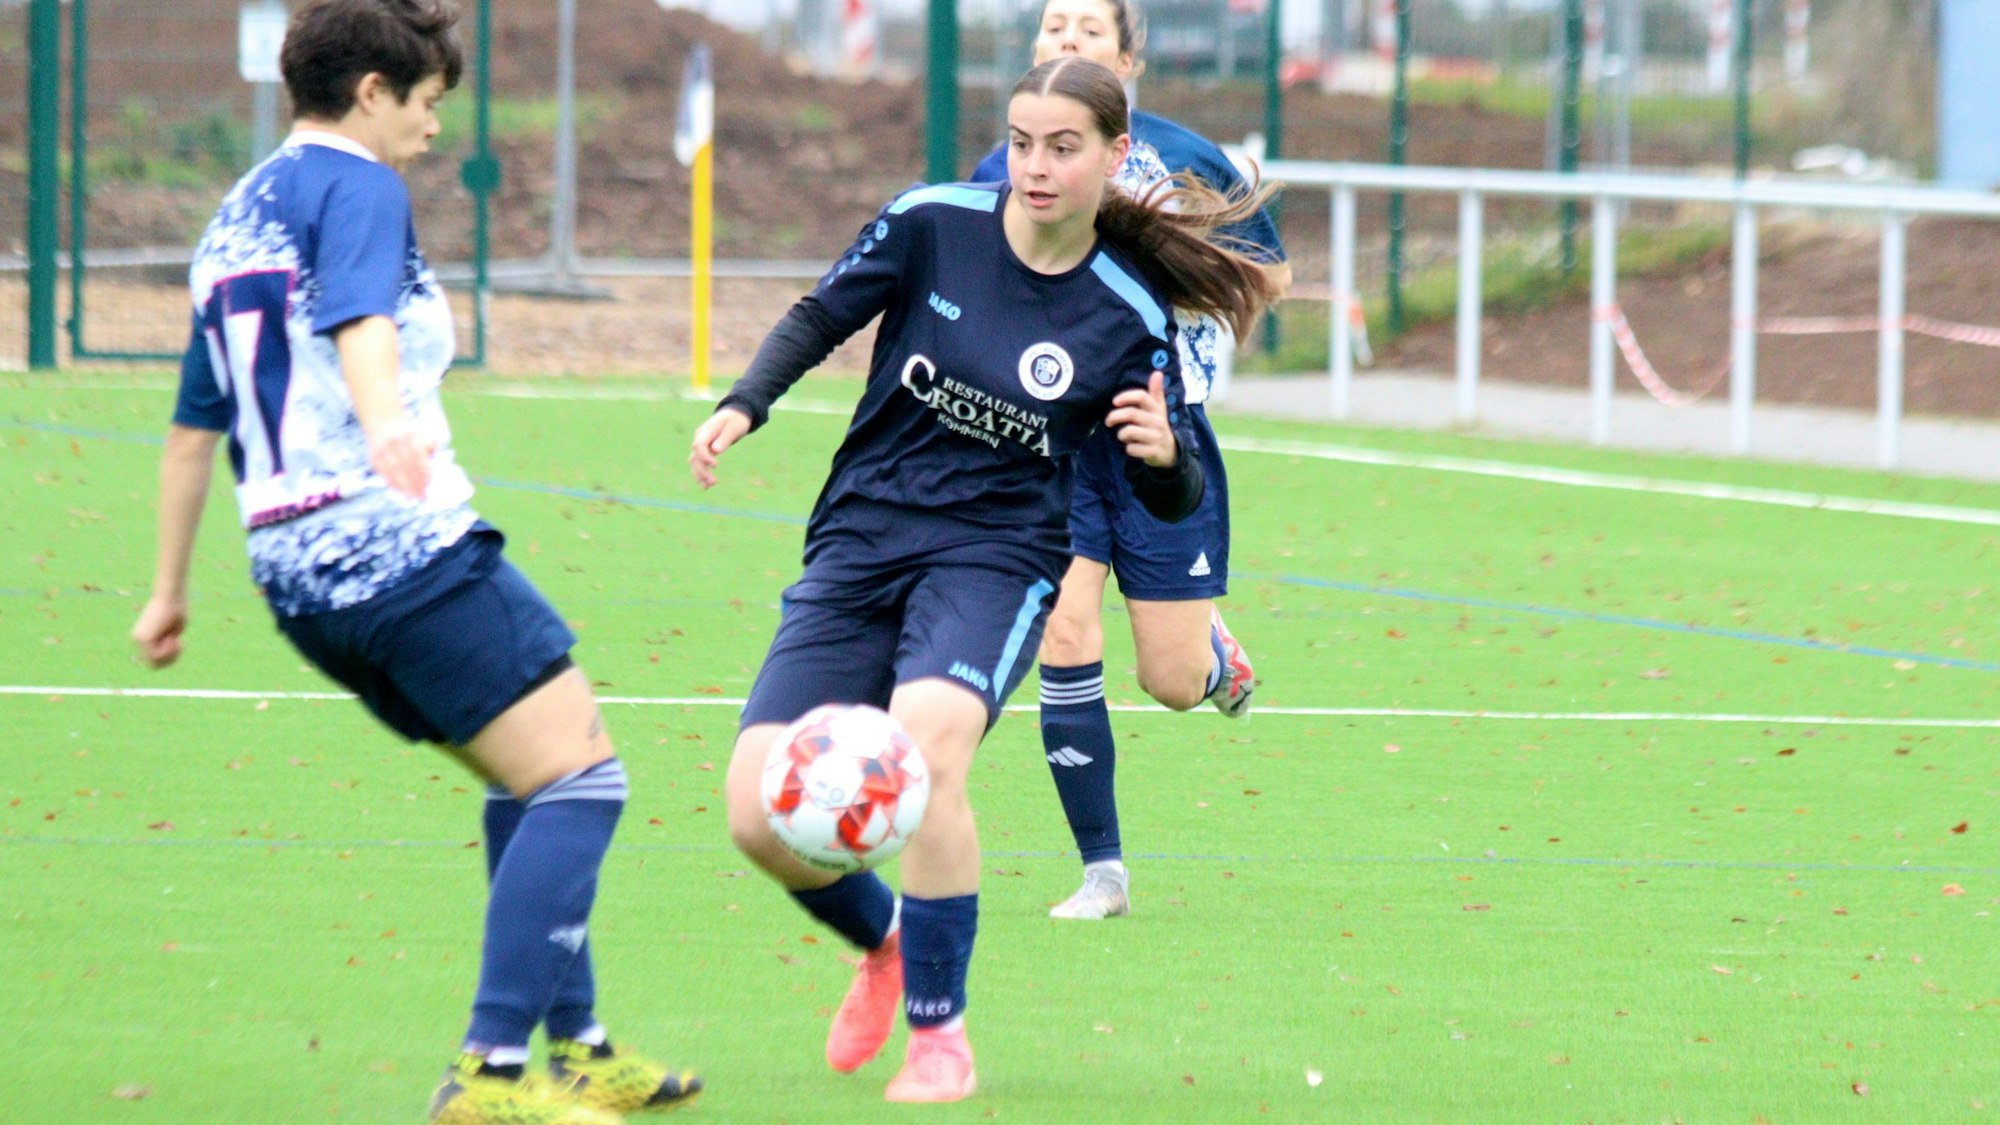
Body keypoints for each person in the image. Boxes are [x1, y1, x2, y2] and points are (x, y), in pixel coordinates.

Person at [127, 3, 699, 1122]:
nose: (435, 127)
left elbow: (196, 428)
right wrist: (387, 425)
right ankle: (487, 1075)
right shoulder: (354, 185)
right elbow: (358, 318)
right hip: (392, 546)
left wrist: (167, 588)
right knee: (586, 779)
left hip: (297, 577)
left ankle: (577, 1045)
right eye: (429, 103)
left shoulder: (233, 222)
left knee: (527, 779)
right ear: (373, 92)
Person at [689, 56, 1280, 1104]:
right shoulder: (929, 223)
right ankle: (883, 945)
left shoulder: (1126, 314)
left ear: (1110, 156)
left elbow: (1174, 502)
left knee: (924, 752)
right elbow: (820, 314)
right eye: (1019, 143)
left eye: (1061, 147)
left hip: (996, 558)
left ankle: (938, 1035)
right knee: (751, 815)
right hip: (860, 540)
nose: (1034, 167)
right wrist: (746, 402)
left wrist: (1161, 456)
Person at [969, 0, 1293, 922]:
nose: (1067, 40)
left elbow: (1265, 272)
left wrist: (1188, 276)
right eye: (1054, 24)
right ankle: (1102, 872)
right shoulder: (1005, 165)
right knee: (1066, 631)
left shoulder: (1183, 157)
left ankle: (1212, 657)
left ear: (1128, 58)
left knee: (1172, 682)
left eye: (1088, 29)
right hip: (1057, 437)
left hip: (1162, 435)